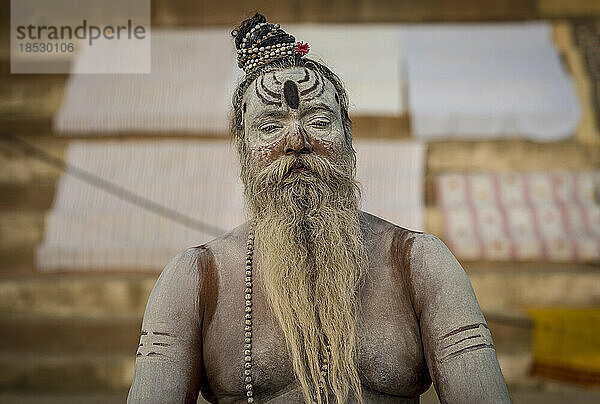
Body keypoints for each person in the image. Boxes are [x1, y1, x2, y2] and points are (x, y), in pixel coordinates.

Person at [127, 14, 511, 404]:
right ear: (242, 147)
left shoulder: (420, 262)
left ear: (347, 134)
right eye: (270, 126)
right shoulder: (194, 278)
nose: (296, 141)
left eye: (318, 120)